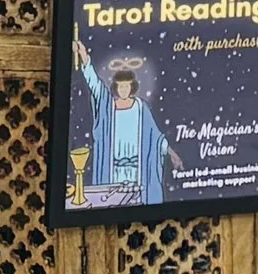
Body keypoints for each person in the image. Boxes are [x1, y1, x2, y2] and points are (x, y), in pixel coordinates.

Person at [74, 33, 180, 201]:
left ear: (133, 87)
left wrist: (171, 153)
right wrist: (84, 55)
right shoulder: (107, 106)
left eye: (127, 86)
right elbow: (95, 84)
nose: (124, 90)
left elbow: (155, 137)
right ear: (116, 88)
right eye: (121, 87)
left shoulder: (141, 108)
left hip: (137, 173)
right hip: (113, 171)